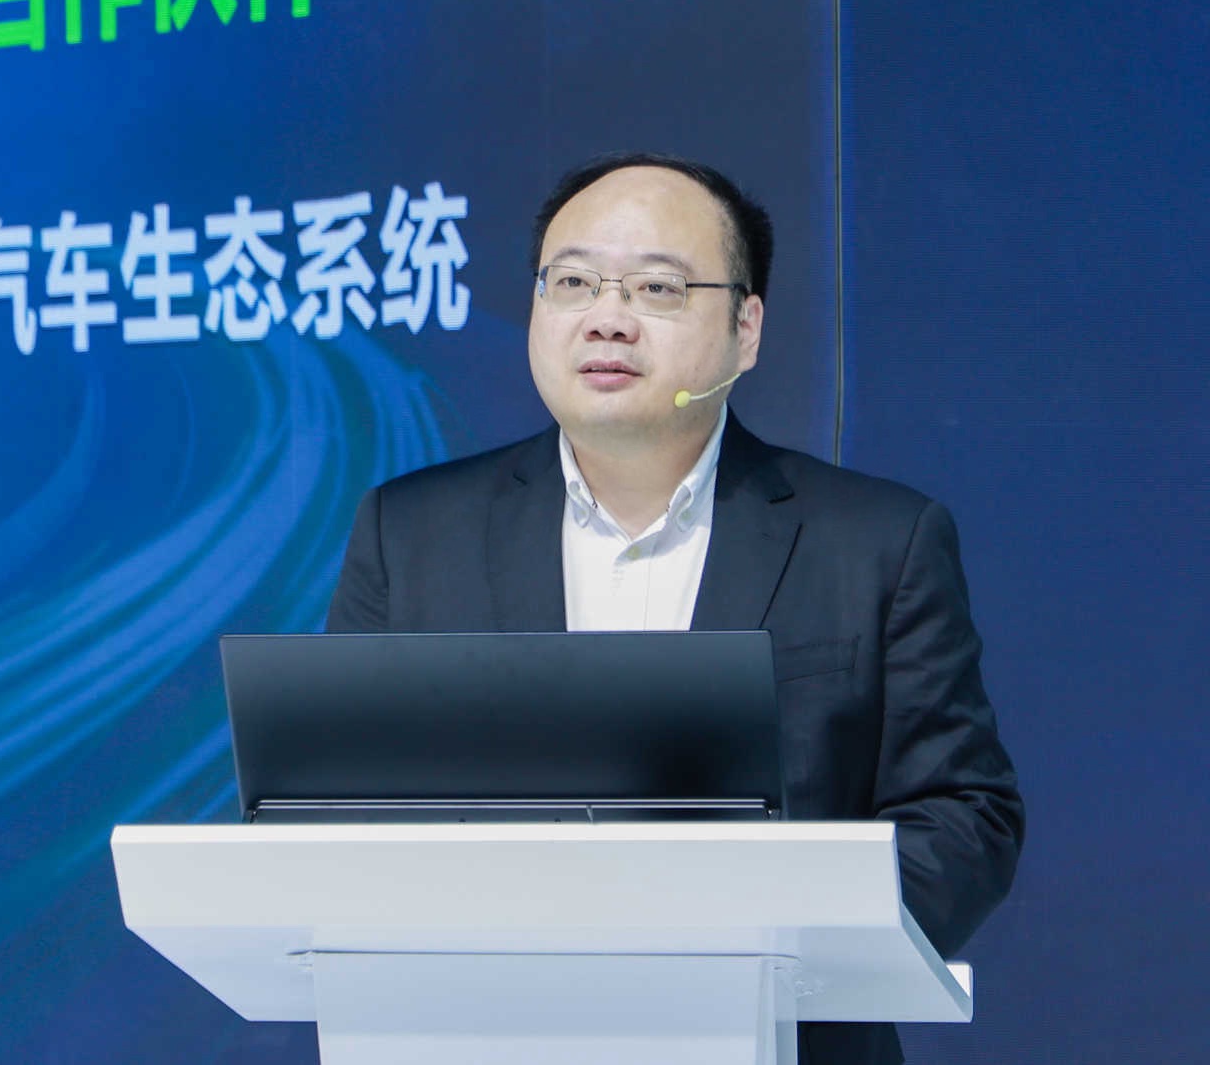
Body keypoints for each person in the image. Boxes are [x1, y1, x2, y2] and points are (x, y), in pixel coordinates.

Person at [325, 152, 1024, 1065]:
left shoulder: (878, 542)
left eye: (657, 287)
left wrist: (779, 943)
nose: (607, 318)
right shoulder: (410, 532)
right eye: (573, 282)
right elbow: (333, 815)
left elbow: (963, 814)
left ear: (747, 328)